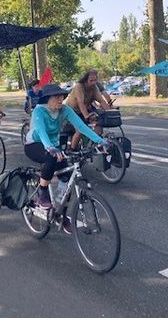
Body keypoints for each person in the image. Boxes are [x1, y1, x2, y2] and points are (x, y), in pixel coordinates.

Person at [24, 84, 108, 232]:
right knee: (51, 158)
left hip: (53, 146)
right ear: (48, 99)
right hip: (35, 144)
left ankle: (60, 215)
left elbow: (81, 127)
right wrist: (50, 148)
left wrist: (99, 141)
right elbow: (41, 132)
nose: (60, 99)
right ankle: (42, 193)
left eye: (62, 96)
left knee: (67, 177)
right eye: (56, 97)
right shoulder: (39, 111)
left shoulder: (64, 110)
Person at [64, 69, 112, 150]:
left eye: (95, 80)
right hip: (73, 111)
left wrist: (109, 112)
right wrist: (86, 116)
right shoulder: (79, 86)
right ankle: (71, 150)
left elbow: (102, 101)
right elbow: (80, 103)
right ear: (85, 80)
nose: (93, 82)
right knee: (79, 131)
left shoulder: (94, 87)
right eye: (91, 80)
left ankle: (95, 144)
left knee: (98, 123)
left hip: (85, 109)